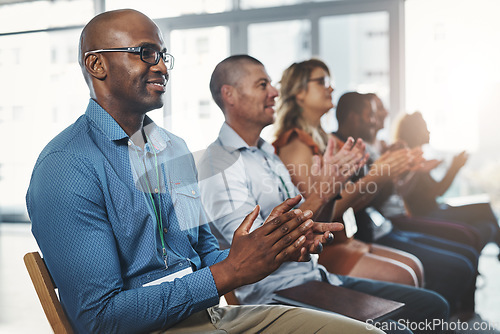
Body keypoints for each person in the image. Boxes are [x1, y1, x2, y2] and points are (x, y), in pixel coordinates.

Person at [25, 9, 384, 334]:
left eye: (163, 55)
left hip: (206, 317)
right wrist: (226, 274)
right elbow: (99, 319)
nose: (162, 66)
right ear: (97, 65)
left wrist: (273, 248)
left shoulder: (173, 148)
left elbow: (204, 253)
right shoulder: (65, 166)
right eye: (146, 53)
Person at [199, 54, 451, 334]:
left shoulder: (267, 153)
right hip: (276, 296)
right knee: (399, 328)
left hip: (315, 277)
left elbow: (313, 219)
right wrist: (325, 191)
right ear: (229, 95)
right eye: (262, 85)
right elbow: (256, 253)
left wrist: (331, 192)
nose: (274, 92)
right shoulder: (219, 164)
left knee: (433, 306)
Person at [272, 59, 477, 318]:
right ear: (299, 91)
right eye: (321, 81)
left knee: (415, 269)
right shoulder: (296, 143)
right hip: (322, 251)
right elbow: (321, 213)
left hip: (345, 238)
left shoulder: (324, 138)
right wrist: (378, 173)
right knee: (409, 276)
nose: (330, 88)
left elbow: (347, 201)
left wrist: (385, 172)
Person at [394, 111, 500, 254]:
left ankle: (467, 257)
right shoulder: (409, 158)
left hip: (436, 210)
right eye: (425, 127)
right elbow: (434, 193)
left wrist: (455, 168)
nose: (429, 131)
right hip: (429, 215)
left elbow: (436, 191)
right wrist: (454, 169)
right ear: (416, 131)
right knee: (484, 208)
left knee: (488, 226)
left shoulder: (417, 157)